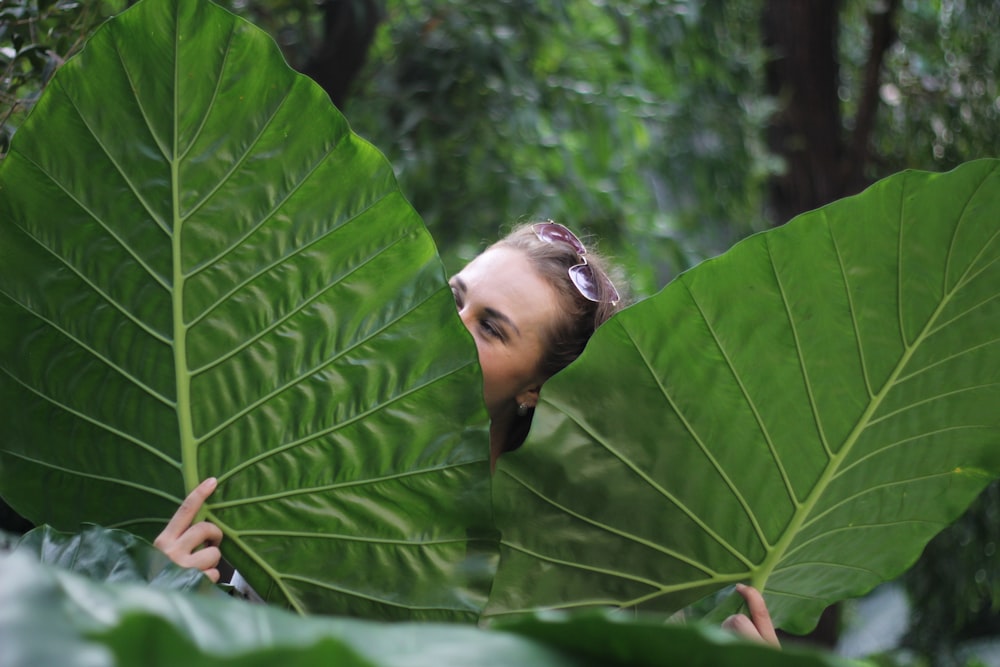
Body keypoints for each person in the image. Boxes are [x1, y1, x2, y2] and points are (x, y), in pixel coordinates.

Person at [153, 221, 779, 646]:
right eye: (454, 297)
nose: (449, 327)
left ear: (536, 387)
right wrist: (161, 592)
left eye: (491, 328)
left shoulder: (570, 559)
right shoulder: (306, 447)